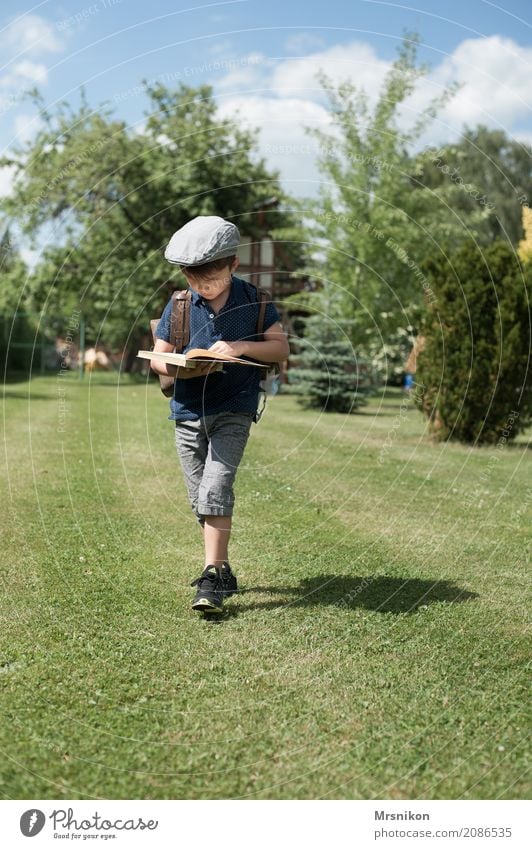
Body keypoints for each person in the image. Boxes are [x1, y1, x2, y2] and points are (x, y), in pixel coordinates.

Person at [151, 216, 289, 614]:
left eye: (210, 280)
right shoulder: (179, 304)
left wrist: (242, 347)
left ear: (233, 265)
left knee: (215, 487)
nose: (202, 288)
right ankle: (224, 569)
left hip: (234, 410)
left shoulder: (256, 302)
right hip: (188, 411)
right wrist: (176, 366)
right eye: (195, 281)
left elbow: (279, 349)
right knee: (200, 498)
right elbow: (158, 356)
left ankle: (211, 576)